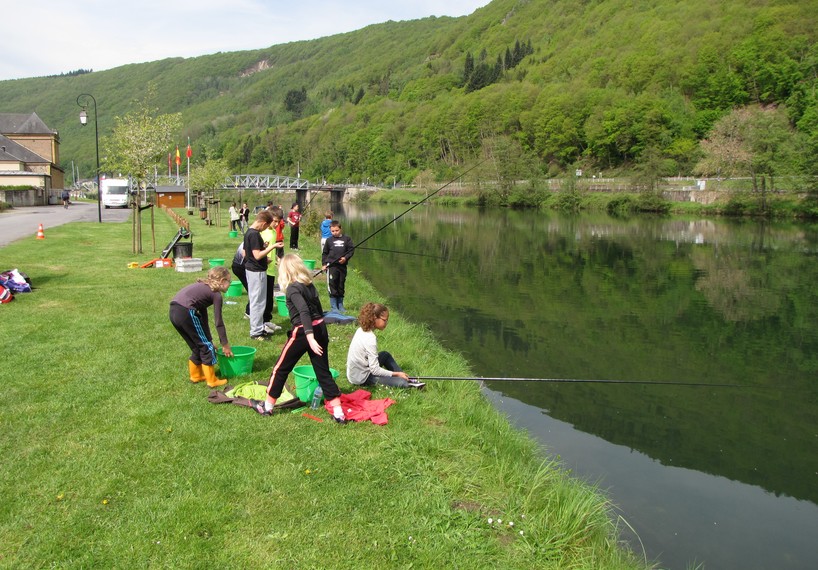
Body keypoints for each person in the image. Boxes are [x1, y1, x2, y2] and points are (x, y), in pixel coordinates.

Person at [253, 254, 347, 423]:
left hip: (304, 332)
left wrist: (310, 337)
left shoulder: (292, 288)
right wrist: (317, 332)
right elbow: (318, 309)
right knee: (322, 371)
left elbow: (304, 311)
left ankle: (267, 407)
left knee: (280, 368)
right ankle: (339, 413)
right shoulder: (309, 285)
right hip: (320, 328)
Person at [169, 266, 233, 388]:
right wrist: (225, 344)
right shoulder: (216, 295)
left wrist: (208, 338)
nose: (229, 284)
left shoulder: (205, 289)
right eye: (229, 281)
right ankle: (212, 380)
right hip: (185, 311)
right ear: (222, 281)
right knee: (206, 347)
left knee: (197, 346)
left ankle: (196, 376)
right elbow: (218, 322)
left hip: (174, 311)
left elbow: (204, 317)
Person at [347, 303, 425, 389]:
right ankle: (406, 381)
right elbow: (375, 370)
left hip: (355, 373)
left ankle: (406, 377)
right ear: (374, 318)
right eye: (384, 320)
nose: (386, 323)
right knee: (402, 383)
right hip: (361, 378)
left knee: (385, 355)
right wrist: (395, 374)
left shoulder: (360, 329)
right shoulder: (370, 339)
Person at [243, 209, 278, 340]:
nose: (265, 229)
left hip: (252, 269)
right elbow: (257, 255)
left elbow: (247, 254)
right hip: (256, 272)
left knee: (257, 300)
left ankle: (258, 328)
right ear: (263, 223)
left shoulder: (248, 232)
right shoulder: (255, 234)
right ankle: (256, 332)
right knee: (258, 302)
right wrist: (272, 247)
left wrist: (263, 249)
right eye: (266, 226)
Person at [231, 241, 279, 334]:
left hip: (247, 267)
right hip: (240, 267)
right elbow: (247, 255)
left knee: (256, 293)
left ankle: (252, 315)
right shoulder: (253, 236)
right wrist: (264, 260)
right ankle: (257, 324)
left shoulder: (258, 237)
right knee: (255, 294)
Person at [322, 220, 354, 313]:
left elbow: (351, 250)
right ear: (330, 230)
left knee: (341, 284)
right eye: (333, 231)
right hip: (332, 266)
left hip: (342, 266)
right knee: (332, 284)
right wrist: (324, 264)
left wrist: (345, 258)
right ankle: (333, 306)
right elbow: (325, 253)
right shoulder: (329, 240)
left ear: (340, 229)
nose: (335, 232)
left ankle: (340, 304)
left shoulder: (347, 239)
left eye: (337, 230)